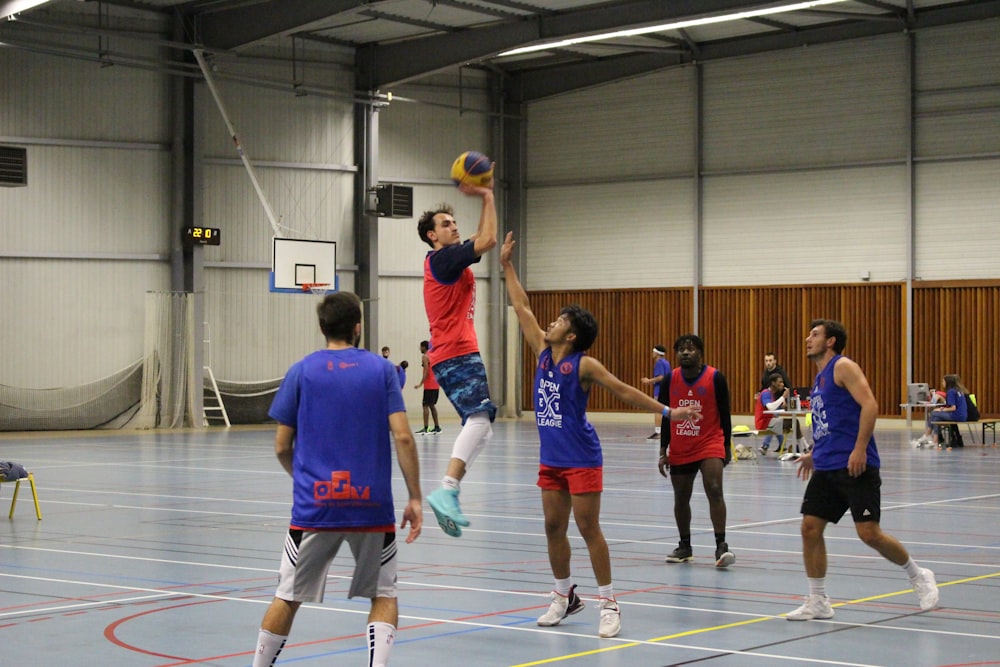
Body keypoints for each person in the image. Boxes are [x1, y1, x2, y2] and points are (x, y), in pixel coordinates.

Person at [500, 232, 700, 638]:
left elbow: (623, 389)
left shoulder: (584, 365)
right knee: (553, 528)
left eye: (560, 321)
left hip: (582, 458)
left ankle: (609, 603)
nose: (551, 322)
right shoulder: (541, 350)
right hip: (551, 459)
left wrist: (668, 411)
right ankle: (563, 596)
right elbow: (520, 305)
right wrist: (505, 265)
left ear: (571, 336)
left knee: (589, 528)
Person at [251, 291, 423, 667]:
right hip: (371, 505)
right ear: (358, 327)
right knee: (384, 594)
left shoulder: (300, 371)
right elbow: (404, 436)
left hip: (316, 506)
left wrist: (305, 481)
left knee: (287, 595)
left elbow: (282, 446)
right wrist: (415, 497)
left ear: (321, 327)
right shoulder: (383, 371)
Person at [786, 318, 938, 621]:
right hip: (827, 467)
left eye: (815, 335)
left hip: (856, 465)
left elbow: (870, 405)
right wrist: (814, 454)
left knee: (869, 534)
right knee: (810, 528)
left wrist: (859, 449)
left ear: (830, 341)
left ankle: (918, 575)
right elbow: (833, 423)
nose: (808, 339)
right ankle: (818, 600)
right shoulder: (818, 380)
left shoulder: (843, 367)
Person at [417, 172, 498, 537]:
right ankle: (447, 489)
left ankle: (449, 490)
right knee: (480, 421)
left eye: (454, 223)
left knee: (483, 429)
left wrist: (484, 201)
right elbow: (489, 239)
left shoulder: (449, 260)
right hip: (455, 353)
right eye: (446, 224)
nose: (453, 227)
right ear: (432, 235)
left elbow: (480, 240)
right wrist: (487, 196)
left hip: (457, 352)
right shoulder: (444, 259)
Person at [658, 334, 735, 568]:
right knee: (681, 497)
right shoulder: (670, 379)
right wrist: (663, 450)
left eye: (690, 349)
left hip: (710, 441)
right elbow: (665, 416)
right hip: (681, 445)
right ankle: (685, 546)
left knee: (714, 488)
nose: (685, 352)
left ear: (700, 353)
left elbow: (725, 415)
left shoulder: (715, 378)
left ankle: (721, 545)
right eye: (681, 349)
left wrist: (727, 446)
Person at [912, 374, 969, 448]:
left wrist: (941, 409)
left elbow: (953, 408)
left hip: (956, 416)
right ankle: (935, 441)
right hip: (963, 415)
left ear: (948, 382)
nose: (942, 383)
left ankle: (927, 435)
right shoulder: (958, 390)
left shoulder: (951, 391)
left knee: (934, 413)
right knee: (936, 417)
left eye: (943, 381)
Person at [641, 345, 671, 440]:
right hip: (667, 389)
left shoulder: (659, 363)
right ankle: (667, 431)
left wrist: (648, 381)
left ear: (657, 353)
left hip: (660, 389)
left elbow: (661, 377)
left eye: (653, 352)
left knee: (658, 410)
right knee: (666, 410)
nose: (652, 354)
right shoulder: (666, 363)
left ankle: (658, 432)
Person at [755, 371, 789, 454]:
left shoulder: (771, 394)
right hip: (763, 422)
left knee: (779, 421)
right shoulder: (766, 393)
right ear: (773, 383)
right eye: (780, 382)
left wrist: (781, 406)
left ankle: (782, 446)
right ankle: (804, 448)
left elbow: (772, 409)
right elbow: (770, 407)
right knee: (794, 423)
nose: (782, 384)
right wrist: (783, 397)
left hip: (768, 421)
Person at [414, 340, 442, 435]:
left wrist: (421, 383)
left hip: (429, 385)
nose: (420, 349)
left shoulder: (425, 356)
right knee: (432, 405)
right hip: (435, 384)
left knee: (425, 405)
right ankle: (437, 427)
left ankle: (426, 428)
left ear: (424, 347)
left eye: (421, 347)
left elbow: (426, 370)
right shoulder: (434, 355)